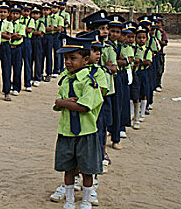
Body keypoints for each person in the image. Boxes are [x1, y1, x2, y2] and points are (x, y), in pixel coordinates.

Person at [50, 30, 107, 207]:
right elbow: (57, 104)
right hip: (66, 131)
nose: (68, 62)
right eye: (66, 58)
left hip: (86, 131)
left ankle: (87, 201)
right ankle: (69, 200)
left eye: (72, 58)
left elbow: (83, 106)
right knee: (68, 167)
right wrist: (63, 102)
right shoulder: (65, 79)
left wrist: (63, 102)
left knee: (87, 168)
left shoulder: (90, 81)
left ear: (85, 59)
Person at [82, 10, 115, 173]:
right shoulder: (83, 47)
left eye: (106, 28)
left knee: (101, 126)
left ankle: (101, 155)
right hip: (87, 94)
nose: (105, 31)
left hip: (103, 94)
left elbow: (112, 67)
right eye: (101, 28)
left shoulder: (108, 47)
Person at [106, 14, 127, 150]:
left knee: (117, 107)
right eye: (111, 31)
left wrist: (117, 63)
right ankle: (107, 129)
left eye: (117, 32)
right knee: (107, 106)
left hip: (117, 78)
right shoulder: (105, 45)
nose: (114, 34)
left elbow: (125, 61)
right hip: (107, 79)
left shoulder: (122, 46)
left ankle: (116, 138)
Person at [130, 24, 152, 128]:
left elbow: (148, 62)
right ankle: (133, 114)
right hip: (135, 73)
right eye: (139, 38)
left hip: (143, 73)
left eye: (143, 38)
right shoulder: (133, 49)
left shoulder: (147, 50)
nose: (141, 40)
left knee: (144, 93)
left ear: (147, 39)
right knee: (134, 94)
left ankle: (141, 113)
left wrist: (140, 61)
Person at [0, 1, 14, 101]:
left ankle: (6, 91)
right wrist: (3, 33)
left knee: (6, 69)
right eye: (1, 11)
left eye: (5, 12)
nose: (2, 14)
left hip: (5, 46)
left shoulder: (9, 24)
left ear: (8, 13)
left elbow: (9, 36)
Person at [9, 3, 25, 96]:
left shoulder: (21, 24)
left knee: (17, 68)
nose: (15, 15)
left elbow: (19, 36)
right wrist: (13, 35)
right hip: (9, 48)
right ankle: (9, 85)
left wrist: (10, 35)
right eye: (13, 13)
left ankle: (16, 87)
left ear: (20, 15)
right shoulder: (8, 24)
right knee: (7, 68)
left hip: (17, 48)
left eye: (17, 14)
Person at [20, 2, 36, 92]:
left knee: (27, 62)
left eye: (28, 11)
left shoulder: (31, 20)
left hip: (27, 41)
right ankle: (15, 83)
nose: (26, 13)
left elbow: (30, 30)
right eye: (24, 11)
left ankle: (27, 83)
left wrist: (22, 28)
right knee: (17, 64)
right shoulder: (19, 19)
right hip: (19, 41)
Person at [40, 2, 55, 82]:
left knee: (49, 55)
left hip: (49, 37)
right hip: (42, 37)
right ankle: (41, 72)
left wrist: (43, 29)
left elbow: (52, 29)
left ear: (50, 11)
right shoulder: (40, 19)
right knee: (41, 55)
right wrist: (46, 28)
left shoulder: (52, 19)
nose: (45, 12)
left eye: (47, 10)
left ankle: (48, 73)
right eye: (44, 10)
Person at [152, 15, 168, 91]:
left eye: (158, 23)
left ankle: (158, 84)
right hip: (151, 53)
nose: (156, 24)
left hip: (159, 53)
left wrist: (158, 41)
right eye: (155, 23)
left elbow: (165, 42)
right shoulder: (152, 32)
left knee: (159, 69)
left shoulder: (162, 33)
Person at [30, 5, 44, 87]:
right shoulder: (29, 21)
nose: (35, 15)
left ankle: (37, 77)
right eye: (33, 13)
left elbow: (41, 33)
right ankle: (30, 77)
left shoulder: (40, 23)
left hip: (38, 41)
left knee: (38, 59)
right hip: (31, 41)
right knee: (30, 60)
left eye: (37, 13)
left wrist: (31, 32)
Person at [51, 1, 65, 78]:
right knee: (49, 53)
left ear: (58, 9)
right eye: (52, 7)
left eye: (55, 8)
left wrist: (53, 28)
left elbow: (60, 28)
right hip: (50, 35)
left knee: (57, 52)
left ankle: (56, 69)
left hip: (57, 35)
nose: (53, 9)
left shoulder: (60, 18)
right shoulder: (49, 17)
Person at [58, 0, 71, 73]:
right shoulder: (56, 14)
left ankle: (62, 67)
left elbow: (67, 22)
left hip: (63, 32)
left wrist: (61, 22)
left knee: (63, 49)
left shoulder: (66, 14)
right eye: (60, 5)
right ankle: (57, 67)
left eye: (63, 5)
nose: (61, 7)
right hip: (57, 31)